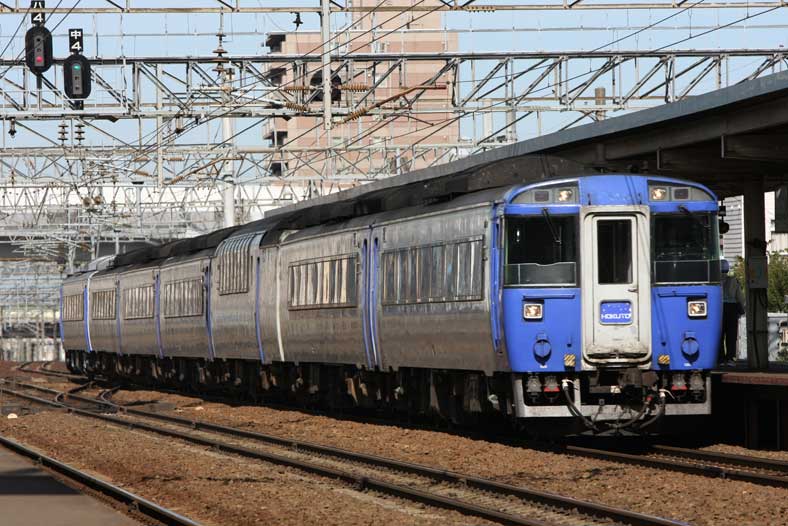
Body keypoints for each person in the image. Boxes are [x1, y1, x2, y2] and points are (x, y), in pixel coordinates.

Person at [720, 259, 745, 366]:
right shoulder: (734, 281)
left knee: (719, 335)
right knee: (731, 334)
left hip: (718, 308)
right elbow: (740, 297)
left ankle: (720, 359)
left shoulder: (714, 281)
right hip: (732, 308)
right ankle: (730, 358)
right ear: (727, 269)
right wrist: (742, 308)